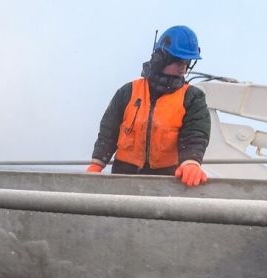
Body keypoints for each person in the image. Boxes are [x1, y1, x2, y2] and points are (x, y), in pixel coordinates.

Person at [86, 26, 211, 187]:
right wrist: (97, 163)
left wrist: (191, 161)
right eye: (179, 61)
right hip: (123, 177)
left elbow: (196, 133)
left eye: (188, 62)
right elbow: (108, 130)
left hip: (167, 180)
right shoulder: (128, 91)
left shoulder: (193, 97)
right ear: (161, 58)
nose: (184, 67)